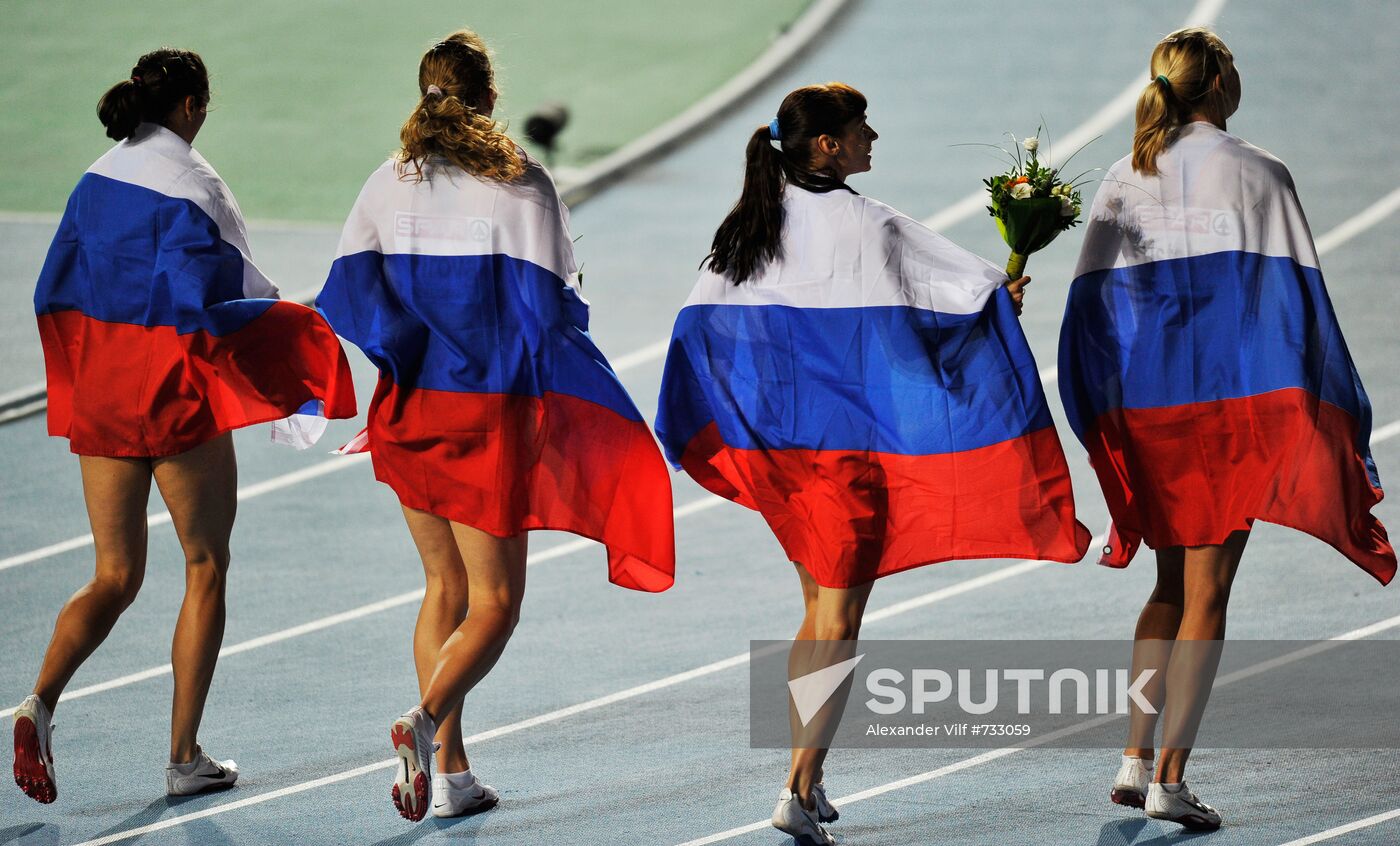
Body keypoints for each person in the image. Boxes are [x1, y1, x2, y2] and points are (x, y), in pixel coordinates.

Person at [656, 82, 1091, 846]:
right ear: (827, 146)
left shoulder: (746, 230)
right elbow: (950, 312)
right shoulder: (873, 225)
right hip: (848, 462)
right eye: (861, 129)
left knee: (816, 610)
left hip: (785, 458)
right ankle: (794, 787)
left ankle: (810, 776)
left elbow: (698, 330)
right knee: (840, 619)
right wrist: (1000, 302)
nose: (873, 138)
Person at [315, 29, 675, 823]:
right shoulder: (520, 182)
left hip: (408, 407)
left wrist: (410, 354)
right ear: (488, 99)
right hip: (488, 414)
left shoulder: (387, 181)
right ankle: (422, 720)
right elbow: (553, 309)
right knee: (497, 601)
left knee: (443, 586)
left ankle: (451, 777)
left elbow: (347, 297)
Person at [1059, 27, 1395, 831]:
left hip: (1151, 407)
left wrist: (1107, 405)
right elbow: (1296, 305)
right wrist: (1325, 408)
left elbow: (1090, 309)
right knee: (1210, 592)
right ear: (1213, 86)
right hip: (1227, 407)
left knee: (1169, 588)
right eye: (1233, 69)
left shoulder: (1121, 175)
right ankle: (1171, 777)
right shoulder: (1261, 172)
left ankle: (1136, 758)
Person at [14, 48, 357, 804]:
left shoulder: (94, 179)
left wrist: (85, 367)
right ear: (193, 107)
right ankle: (182, 757)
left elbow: (55, 284)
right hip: (169, 395)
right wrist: (296, 334)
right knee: (205, 564)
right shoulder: (197, 185)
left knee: (114, 574)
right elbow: (236, 290)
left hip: (103, 392)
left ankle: (38, 701)